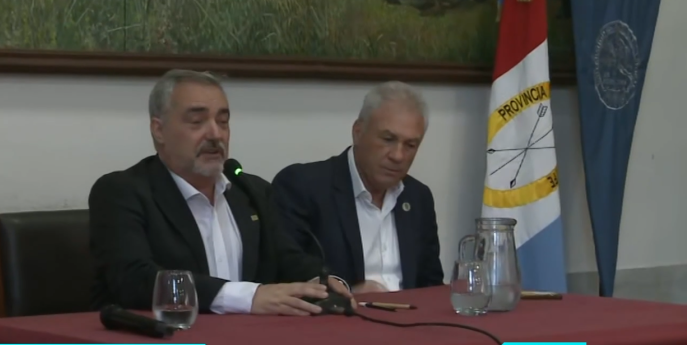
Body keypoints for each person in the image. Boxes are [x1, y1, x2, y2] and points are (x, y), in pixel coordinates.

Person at [88, 69, 355, 316]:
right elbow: (135, 280)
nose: (215, 134)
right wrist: (246, 297)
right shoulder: (121, 192)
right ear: (159, 130)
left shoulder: (251, 191)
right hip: (167, 343)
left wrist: (322, 282)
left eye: (223, 121)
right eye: (197, 121)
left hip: (251, 342)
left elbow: (286, 258)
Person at [271, 81, 444, 293]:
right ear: (358, 131)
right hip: (339, 312)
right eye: (388, 139)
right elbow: (286, 273)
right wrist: (348, 292)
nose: (398, 156)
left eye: (410, 145)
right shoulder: (302, 187)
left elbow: (431, 286)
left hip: (410, 313)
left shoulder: (418, 197)